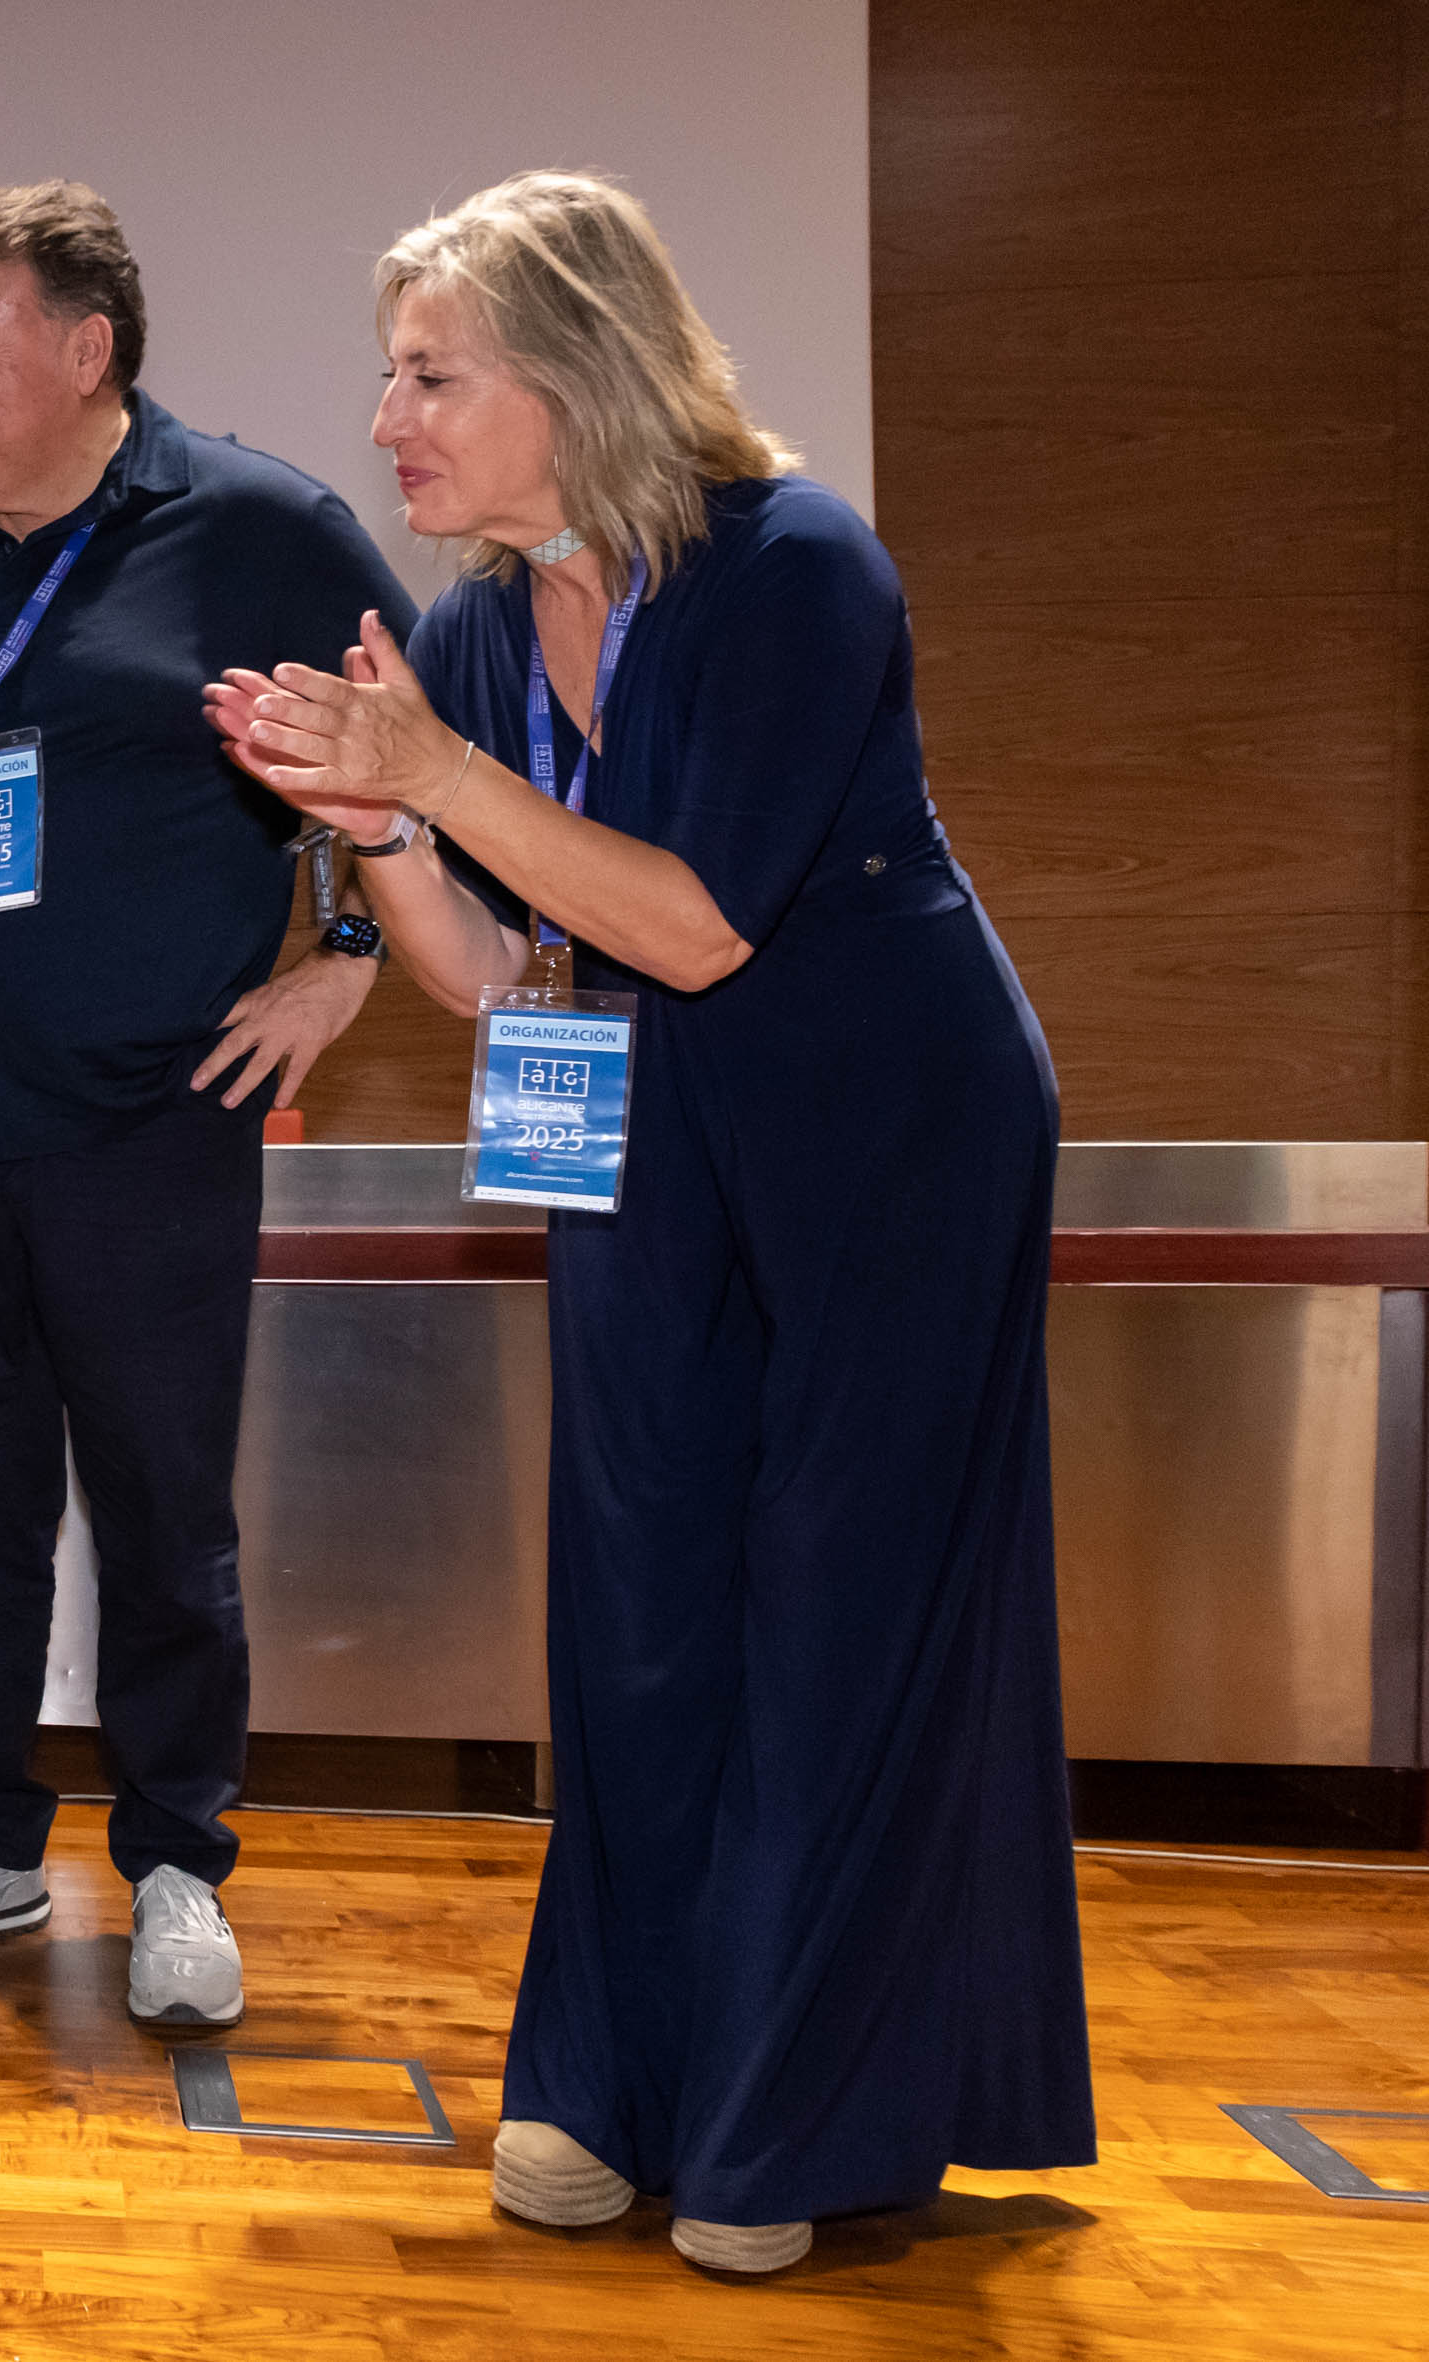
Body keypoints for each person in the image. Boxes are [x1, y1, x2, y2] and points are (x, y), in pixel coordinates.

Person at [207, 169, 1093, 2272]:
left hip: (885, 1125)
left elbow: (692, 923)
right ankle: (603, 2080)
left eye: (428, 374)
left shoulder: (795, 568)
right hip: (641, 1136)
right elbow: (498, 974)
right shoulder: (465, 625)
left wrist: (431, 779)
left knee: (830, 1607)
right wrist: (374, 833)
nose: (385, 418)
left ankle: (783, 2122)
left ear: (571, 374)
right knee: (632, 1597)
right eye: (387, 373)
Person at [0, 184, 414, 2025]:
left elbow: (421, 762)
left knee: (163, 1518)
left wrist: (348, 957)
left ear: (88, 349)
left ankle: (174, 1862)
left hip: (155, 1120)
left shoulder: (262, 528)